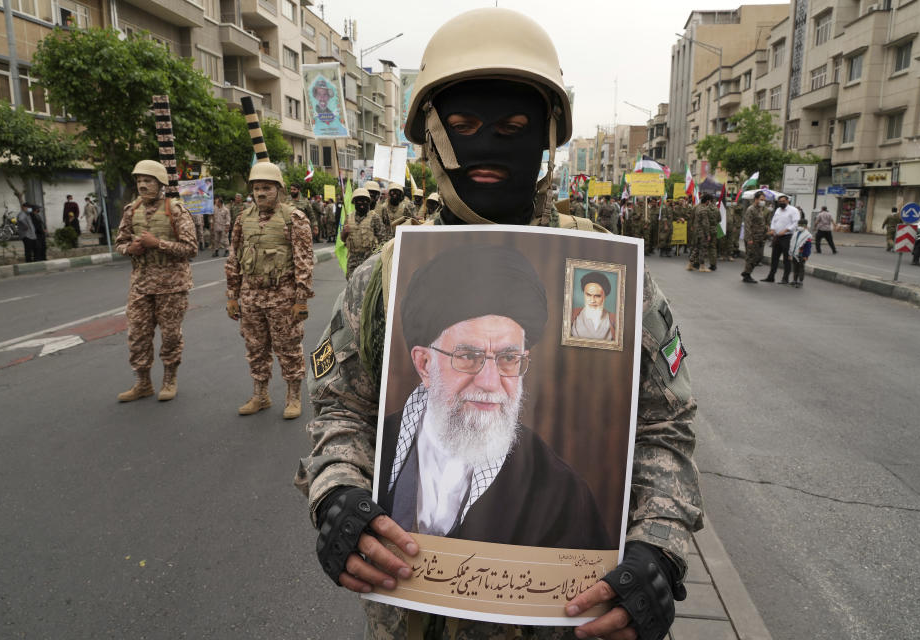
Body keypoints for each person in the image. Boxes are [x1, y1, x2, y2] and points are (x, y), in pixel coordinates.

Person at [296, 9, 701, 640]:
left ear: (546, 137)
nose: (488, 150)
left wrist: (659, 548)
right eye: (462, 129)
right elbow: (340, 409)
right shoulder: (381, 277)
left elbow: (663, 426)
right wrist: (337, 492)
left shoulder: (610, 269)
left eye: (514, 129)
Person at [378, 244, 612, 548]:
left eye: (509, 358)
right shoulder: (373, 447)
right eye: (467, 356)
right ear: (424, 364)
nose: (490, 383)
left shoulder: (560, 493)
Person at [225, 161, 314, 419]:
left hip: (282, 296)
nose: (260, 193)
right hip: (251, 295)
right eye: (256, 188)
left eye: (267, 187)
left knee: (288, 347)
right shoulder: (243, 219)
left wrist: (301, 300)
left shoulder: (293, 218)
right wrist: (232, 295)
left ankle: (293, 396)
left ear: (279, 189)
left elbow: (304, 261)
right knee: (255, 347)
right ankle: (260, 395)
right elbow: (234, 258)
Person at [114, 159, 197, 402]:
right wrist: (131, 248)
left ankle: (170, 378)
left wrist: (158, 244)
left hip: (172, 285)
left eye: (148, 180)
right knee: (138, 335)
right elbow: (120, 243)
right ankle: (143, 382)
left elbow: (191, 248)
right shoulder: (132, 210)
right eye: (139, 180)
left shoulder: (176, 210)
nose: (143, 185)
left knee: (170, 335)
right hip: (141, 283)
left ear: (160, 183)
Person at [340, 187, 386, 279]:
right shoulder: (349, 218)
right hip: (353, 260)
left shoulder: (374, 218)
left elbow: (383, 240)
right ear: (354, 202)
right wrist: (344, 232)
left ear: (368, 202)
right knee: (352, 286)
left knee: (367, 287)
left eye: (365, 201)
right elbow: (342, 239)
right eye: (359, 201)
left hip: (369, 259)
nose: (362, 204)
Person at [762, 194, 800, 284]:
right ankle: (771, 277)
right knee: (774, 257)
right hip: (777, 237)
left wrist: (786, 230)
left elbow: (796, 223)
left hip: (787, 237)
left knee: (787, 259)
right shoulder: (778, 210)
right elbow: (774, 221)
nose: (781, 203)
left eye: (783, 201)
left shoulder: (793, 210)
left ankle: (785, 278)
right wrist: (772, 229)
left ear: (787, 201)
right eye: (780, 202)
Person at [570, 271, 616, 340]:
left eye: (597, 296)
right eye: (588, 295)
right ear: (584, 294)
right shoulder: (571, 314)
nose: (592, 300)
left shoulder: (615, 320)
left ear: (604, 297)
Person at [741, 191, 768, 283]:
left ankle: (746, 272)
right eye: (761, 199)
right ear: (756, 199)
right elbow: (747, 225)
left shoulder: (760, 209)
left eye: (764, 200)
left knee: (759, 257)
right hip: (752, 238)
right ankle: (747, 275)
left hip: (760, 237)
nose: (763, 201)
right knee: (751, 256)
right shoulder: (751, 209)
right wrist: (749, 239)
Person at [687, 193, 714, 272]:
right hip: (702, 232)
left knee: (697, 248)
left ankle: (690, 264)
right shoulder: (704, 209)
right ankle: (702, 266)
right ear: (707, 201)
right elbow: (705, 223)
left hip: (697, 231)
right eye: (710, 201)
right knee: (703, 249)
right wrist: (708, 234)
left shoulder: (697, 207)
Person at [789, 218, 813, 288]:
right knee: (795, 267)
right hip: (794, 253)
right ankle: (794, 280)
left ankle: (800, 281)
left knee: (801, 268)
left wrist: (806, 255)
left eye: (802, 225)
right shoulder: (796, 233)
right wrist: (790, 253)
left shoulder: (807, 235)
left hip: (802, 254)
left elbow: (808, 246)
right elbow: (792, 243)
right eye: (799, 225)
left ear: (805, 226)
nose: (800, 226)